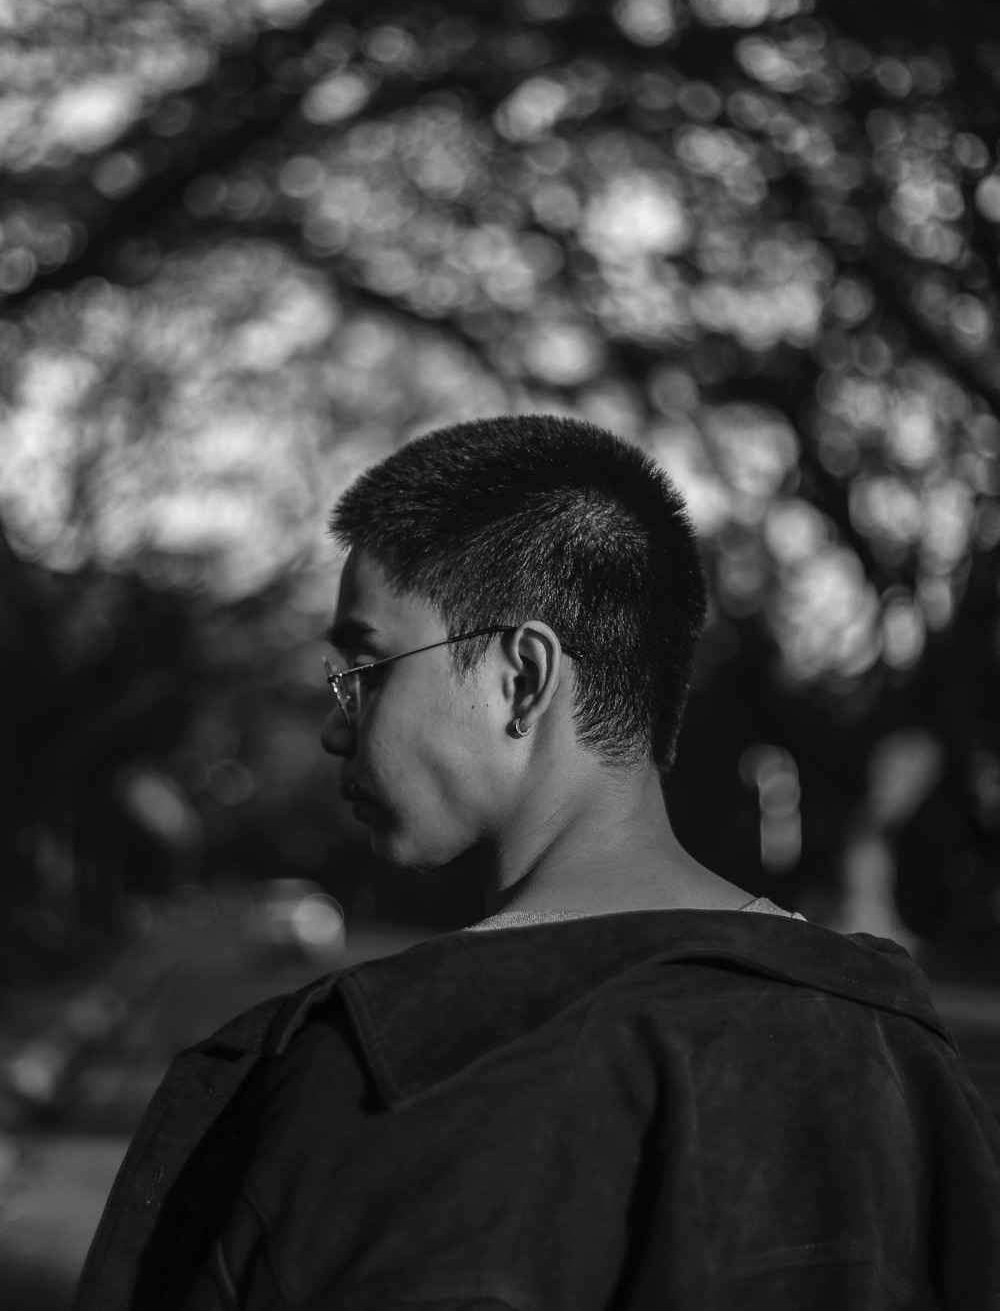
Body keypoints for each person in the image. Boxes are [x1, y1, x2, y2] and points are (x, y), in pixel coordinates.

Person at [75, 414, 1000, 1311]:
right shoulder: (905, 1069)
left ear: (521, 677)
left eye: (365, 670)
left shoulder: (344, 1079)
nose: (334, 728)